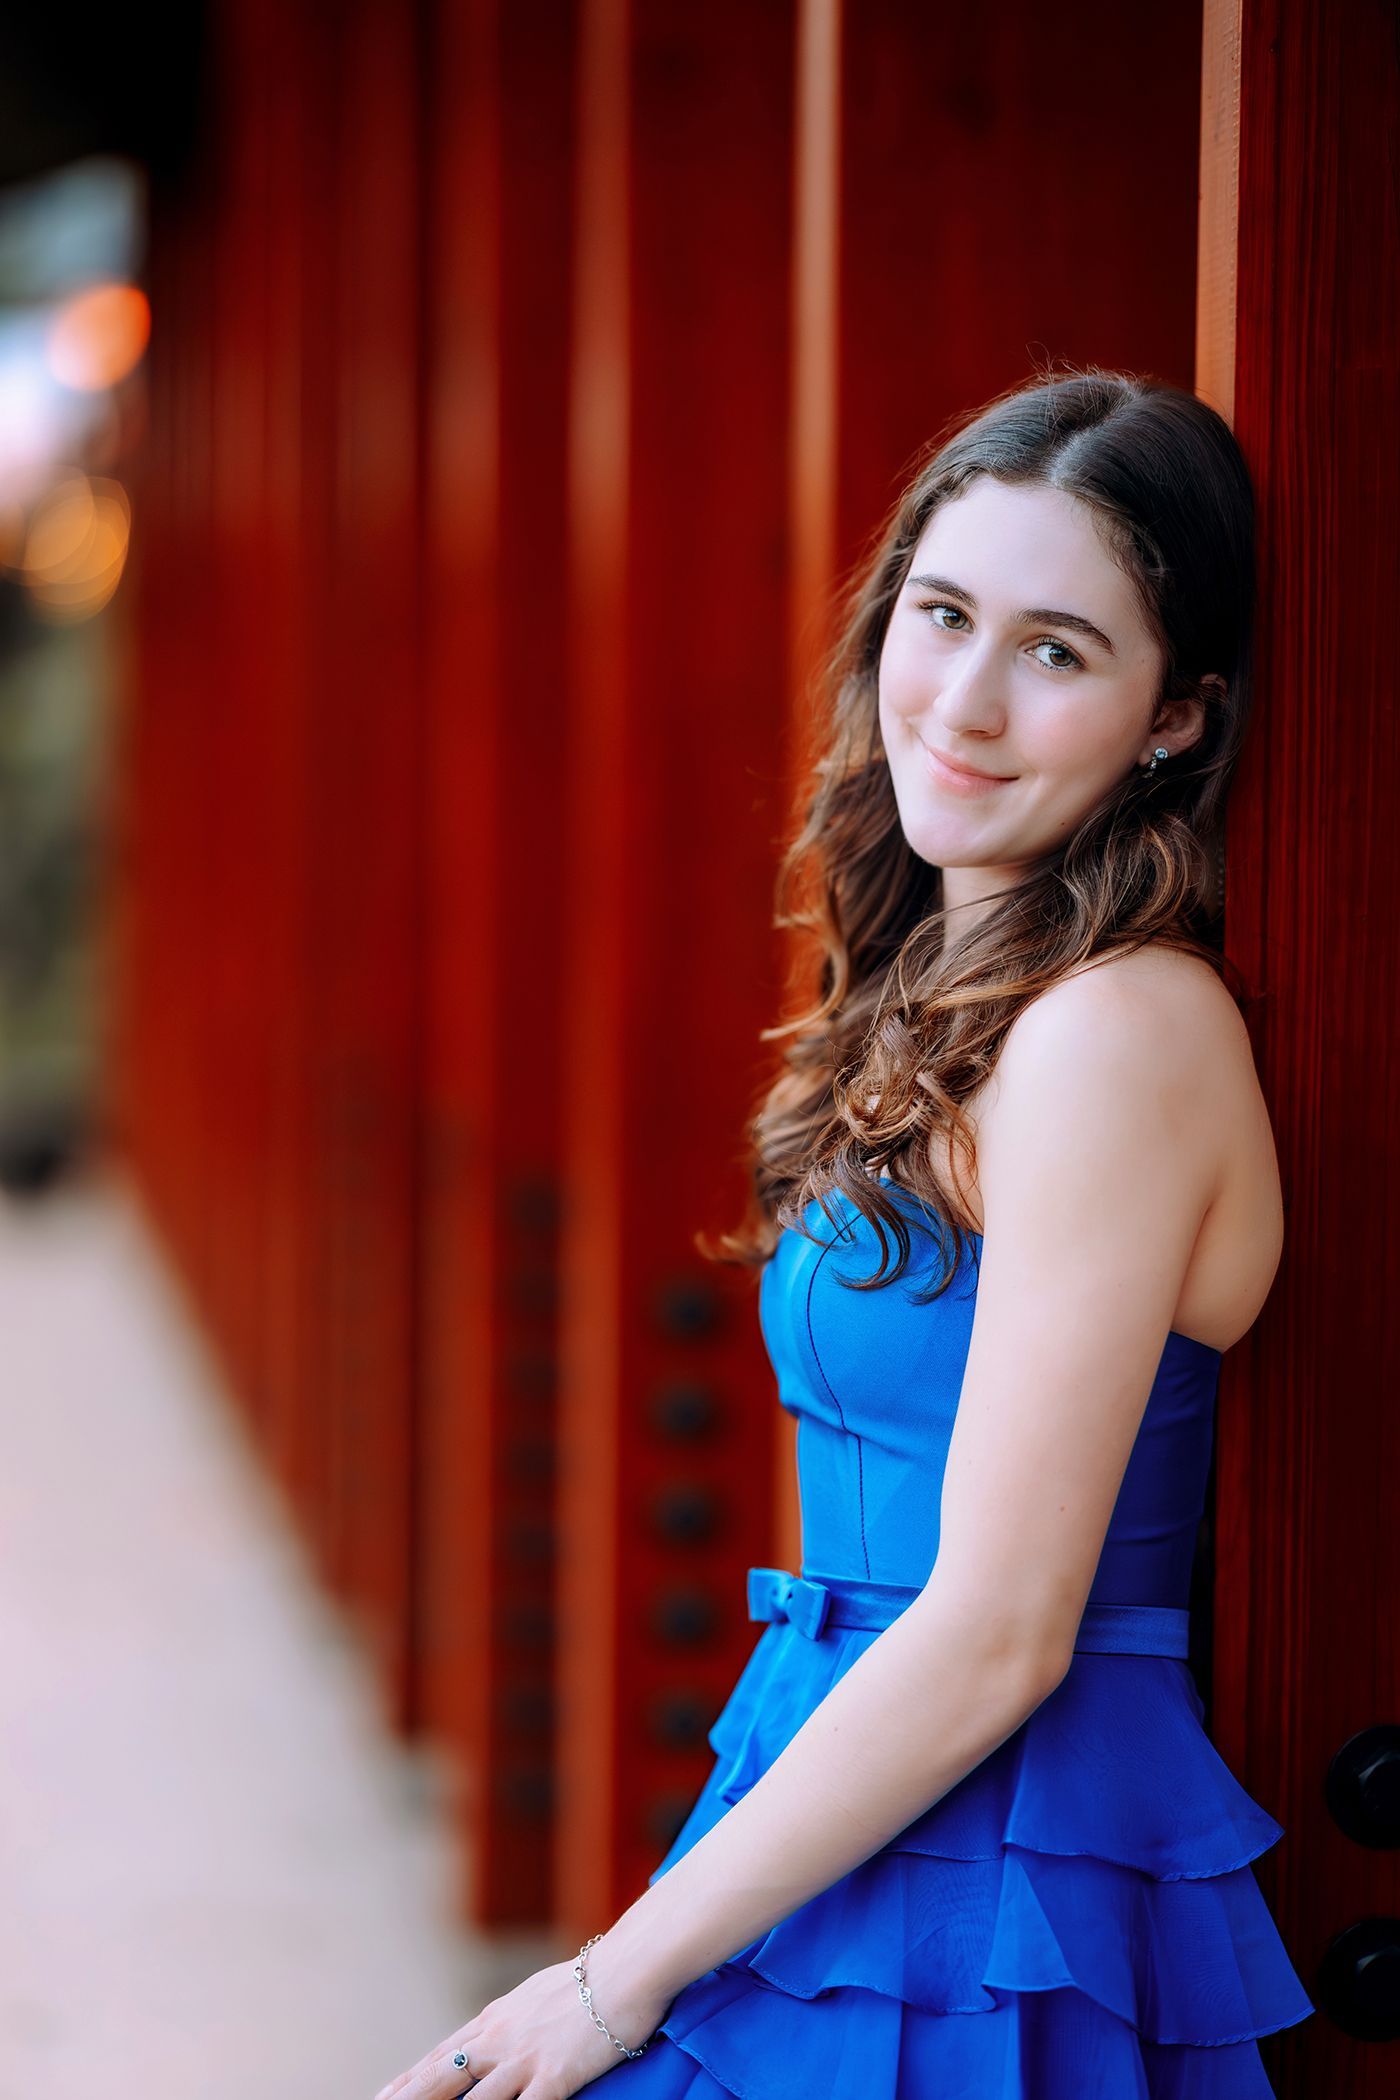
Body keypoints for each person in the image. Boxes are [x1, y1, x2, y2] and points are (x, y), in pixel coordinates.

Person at [373, 367, 1316, 2099]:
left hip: (995, 1873)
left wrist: (602, 1984)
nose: (961, 701)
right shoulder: (957, 993)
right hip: (847, 1794)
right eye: (943, 615)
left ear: (1174, 716)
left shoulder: (1118, 1032)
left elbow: (1007, 1624)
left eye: (1056, 650)